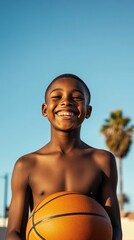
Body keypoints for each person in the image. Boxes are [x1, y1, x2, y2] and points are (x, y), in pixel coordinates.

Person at [6, 74, 122, 240]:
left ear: (88, 111)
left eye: (76, 97)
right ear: (44, 110)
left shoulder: (102, 160)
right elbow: (14, 232)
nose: (66, 102)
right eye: (57, 96)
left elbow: (115, 228)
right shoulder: (26, 164)